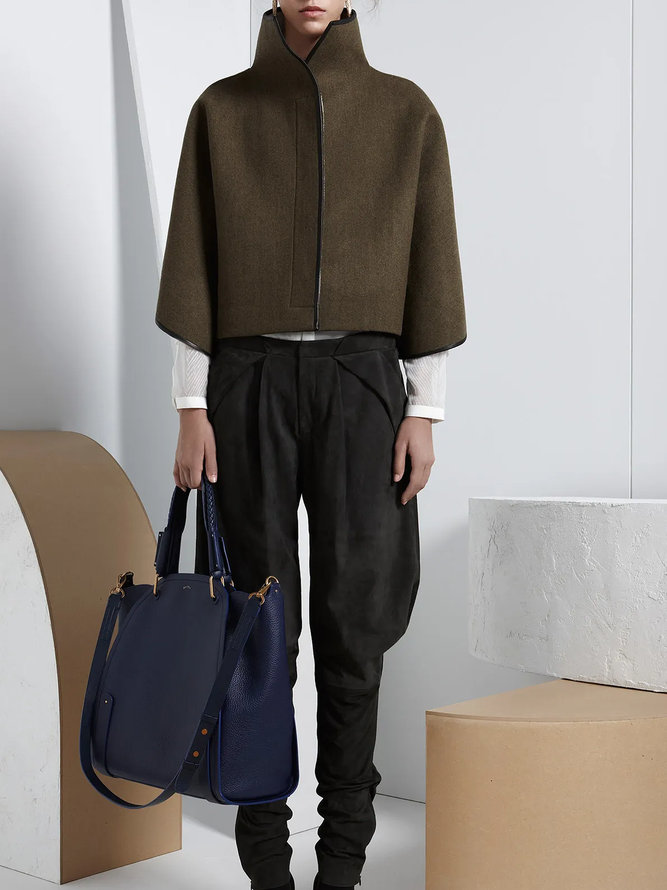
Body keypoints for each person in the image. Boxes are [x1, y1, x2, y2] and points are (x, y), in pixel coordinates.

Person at [154, 2, 467, 888]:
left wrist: (424, 409)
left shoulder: (406, 112)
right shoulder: (221, 111)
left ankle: (342, 864)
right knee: (254, 624)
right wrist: (190, 404)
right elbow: (194, 261)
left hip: (364, 385)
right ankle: (265, 864)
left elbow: (431, 259)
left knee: (354, 626)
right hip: (244, 382)